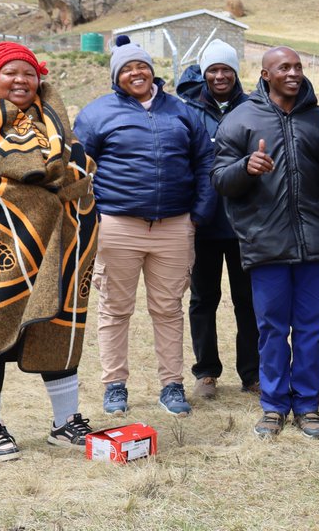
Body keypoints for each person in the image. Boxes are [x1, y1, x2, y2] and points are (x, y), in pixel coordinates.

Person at [0, 42, 99, 461]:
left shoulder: (56, 122)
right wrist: (38, 202)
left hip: (56, 246)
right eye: (10, 72)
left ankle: (65, 423)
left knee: (57, 322)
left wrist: (66, 186)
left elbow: (81, 167)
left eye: (28, 73)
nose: (21, 81)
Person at [74, 38, 215, 418]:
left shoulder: (181, 112)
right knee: (114, 309)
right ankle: (114, 385)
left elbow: (205, 162)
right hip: (118, 225)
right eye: (126, 68)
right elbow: (77, 169)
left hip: (174, 226)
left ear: (152, 70)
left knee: (169, 309)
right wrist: (93, 217)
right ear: (115, 76)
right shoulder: (96, 114)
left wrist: (198, 213)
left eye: (141, 66)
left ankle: (172, 385)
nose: (135, 73)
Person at [212, 46, 319, 439]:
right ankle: (272, 405)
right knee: (270, 328)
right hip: (265, 243)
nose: (294, 73)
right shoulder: (241, 119)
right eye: (284, 67)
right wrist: (245, 167)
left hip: (316, 243)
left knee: (311, 328)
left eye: (298, 66)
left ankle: (306, 405)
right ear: (265, 74)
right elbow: (219, 178)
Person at [176, 39, 258, 399]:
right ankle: (206, 372)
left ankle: (252, 373)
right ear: (204, 73)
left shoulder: (253, 106)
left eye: (226, 69)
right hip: (204, 224)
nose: (220, 75)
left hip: (244, 223)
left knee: (248, 301)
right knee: (202, 299)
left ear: (236, 72)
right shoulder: (189, 109)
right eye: (214, 69)